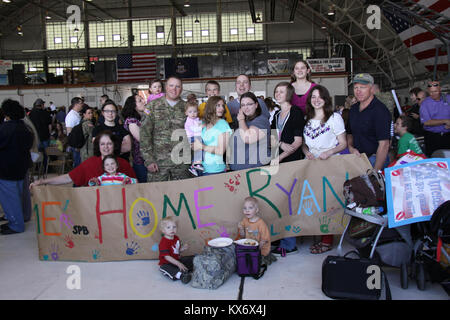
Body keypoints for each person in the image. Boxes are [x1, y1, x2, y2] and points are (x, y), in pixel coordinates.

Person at [301, 85, 347, 254]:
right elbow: (304, 145)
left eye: (320, 96)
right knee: (315, 202)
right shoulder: (308, 118)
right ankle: (318, 234)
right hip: (312, 165)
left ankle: (327, 240)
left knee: (328, 203)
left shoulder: (334, 118)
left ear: (326, 99)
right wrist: (307, 153)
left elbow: (343, 143)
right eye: (313, 96)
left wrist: (329, 152)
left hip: (330, 164)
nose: (316, 99)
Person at [270, 82, 305, 256]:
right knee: (279, 201)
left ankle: (289, 243)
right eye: (276, 91)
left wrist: (280, 157)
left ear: (289, 94)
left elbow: (298, 142)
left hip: (291, 162)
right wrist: (282, 144)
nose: (278, 94)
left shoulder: (296, 113)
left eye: (281, 91)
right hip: (279, 161)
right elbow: (272, 138)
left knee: (290, 203)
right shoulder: (276, 115)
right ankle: (279, 237)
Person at [30, 130, 136, 188]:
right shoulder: (89, 164)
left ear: (114, 145)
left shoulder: (123, 163)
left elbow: (135, 185)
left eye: (109, 144)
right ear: (98, 146)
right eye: (102, 144)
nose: (106, 147)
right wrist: (42, 181)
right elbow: (68, 177)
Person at [140, 76, 191, 182]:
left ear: (181, 89)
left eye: (178, 86)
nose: (174, 89)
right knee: (156, 195)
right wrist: (148, 160)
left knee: (182, 195)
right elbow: (145, 135)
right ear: (166, 87)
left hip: (181, 163)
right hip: (158, 162)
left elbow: (194, 134)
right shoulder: (152, 106)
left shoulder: (187, 108)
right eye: (171, 85)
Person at [0, 99, 33, 235]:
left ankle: (15, 224)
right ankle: (24, 216)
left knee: (10, 197)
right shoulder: (25, 127)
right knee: (23, 194)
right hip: (22, 166)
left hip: (7, 168)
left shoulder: (5, 128)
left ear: (6, 113)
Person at [346, 73, 391, 171]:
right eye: (356, 87)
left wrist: (375, 172)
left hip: (375, 158)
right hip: (358, 158)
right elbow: (349, 133)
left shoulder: (380, 111)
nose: (358, 91)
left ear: (371, 89)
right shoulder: (353, 109)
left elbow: (384, 144)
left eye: (362, 87)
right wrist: (351, 148)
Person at [228, 92, 271, 171]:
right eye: (243, 105)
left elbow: (248, 138)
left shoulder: (261, 120)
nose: (246, 107)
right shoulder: (246, 120)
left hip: (254, 170)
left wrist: (240, 119)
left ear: (256, 105)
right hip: (240, 170)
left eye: (249, 104)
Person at [192, 96, 232, 176]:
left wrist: (201, 146)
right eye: (218, 105)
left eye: (222, 106)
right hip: (201, 168)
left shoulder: (222, 124)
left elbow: (220, 151)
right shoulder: (205, 124)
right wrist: (194, 146)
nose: (221, 108)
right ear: (211, 106)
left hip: (215, 169)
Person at [238, 196, 277, 265]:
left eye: (250, 208)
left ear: (256, 210)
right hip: (250, 245)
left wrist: (255, 250)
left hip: (261, 248)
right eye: (245, 208)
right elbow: (243, 236)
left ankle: (266, 257)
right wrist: (241, 229)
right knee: (241, 259)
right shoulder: (244, 220)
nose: (247, 210)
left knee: (256, 262)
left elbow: (264, 239)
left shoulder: (261, 223)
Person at [158, 216, 193, 284]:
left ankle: (193, 266)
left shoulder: (176, 238)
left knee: (191, 259)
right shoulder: (163, 242)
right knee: (165, 268)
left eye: (174, 227)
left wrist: (182, 248)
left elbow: (176, 251)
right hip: (167, 263)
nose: (172, 229)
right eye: (168, 227)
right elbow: (167, 257)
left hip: (177, 259)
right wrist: (178, 263)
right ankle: (182, 276)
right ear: (163, 230)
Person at [419, 80, 450, 157]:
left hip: (447, 136)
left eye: (435, 91)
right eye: (430, 92)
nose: (433, 94)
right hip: (432, 137)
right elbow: (426, 122)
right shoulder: (425, 103)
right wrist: (445, 121)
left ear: (440, 89)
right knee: (434, 158)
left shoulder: (448, 98)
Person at [122, 94, 148, 183]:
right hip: (140, 159)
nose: (144, 102)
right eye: (140, 101)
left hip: (147, 158)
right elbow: (142, 139)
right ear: (133, 105)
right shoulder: (132, 121)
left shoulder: (142, 117)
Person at [29, 98, 52, 168]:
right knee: (46, 153)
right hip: (45, 136)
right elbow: (50, 125)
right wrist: (49, 134)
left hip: (36, 137)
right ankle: (46, 168)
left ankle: (37, 168)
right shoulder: (45, 113)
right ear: (42, 105)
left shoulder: (31, 113)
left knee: (37, 153)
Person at [184, 101, 204, 176]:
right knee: (198, 150)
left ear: (198, 112)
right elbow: (195, 129)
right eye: (190, 112)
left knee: (199, 151)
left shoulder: (197, 119)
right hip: (191, 137)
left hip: (197, 137)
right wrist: (202, 126)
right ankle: (194, 165)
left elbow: (200, 124)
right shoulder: (188, 121)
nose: (193, 114)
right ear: (186, 113)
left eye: (195, 111)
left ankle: (195, 164)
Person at [65, 97, 84, 168]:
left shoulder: (76, 114)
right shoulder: (71, 116)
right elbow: (70, 131)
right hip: (75, 144)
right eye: (81, 103)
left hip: (78, 143)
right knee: (77, 163)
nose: (82, 105)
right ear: (76, 104)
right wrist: (76, 145)